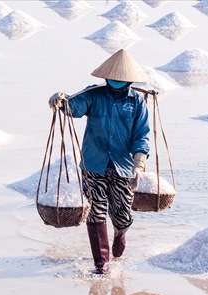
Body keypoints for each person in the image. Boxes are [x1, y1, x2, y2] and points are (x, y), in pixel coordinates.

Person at [48, 49, 151, 275]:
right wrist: (58, 100)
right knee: (95, 212)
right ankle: (101, 264)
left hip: (123, 167)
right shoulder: (94, 95)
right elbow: (72, 107)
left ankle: (120, 233)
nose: (116, 82)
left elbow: (142, 136)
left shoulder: (136, 103)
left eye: (121, 80)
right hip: (93, 165)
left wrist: (138, 165)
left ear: (129, 81)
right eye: (113, 79)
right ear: (105, 78)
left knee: (122, 215)